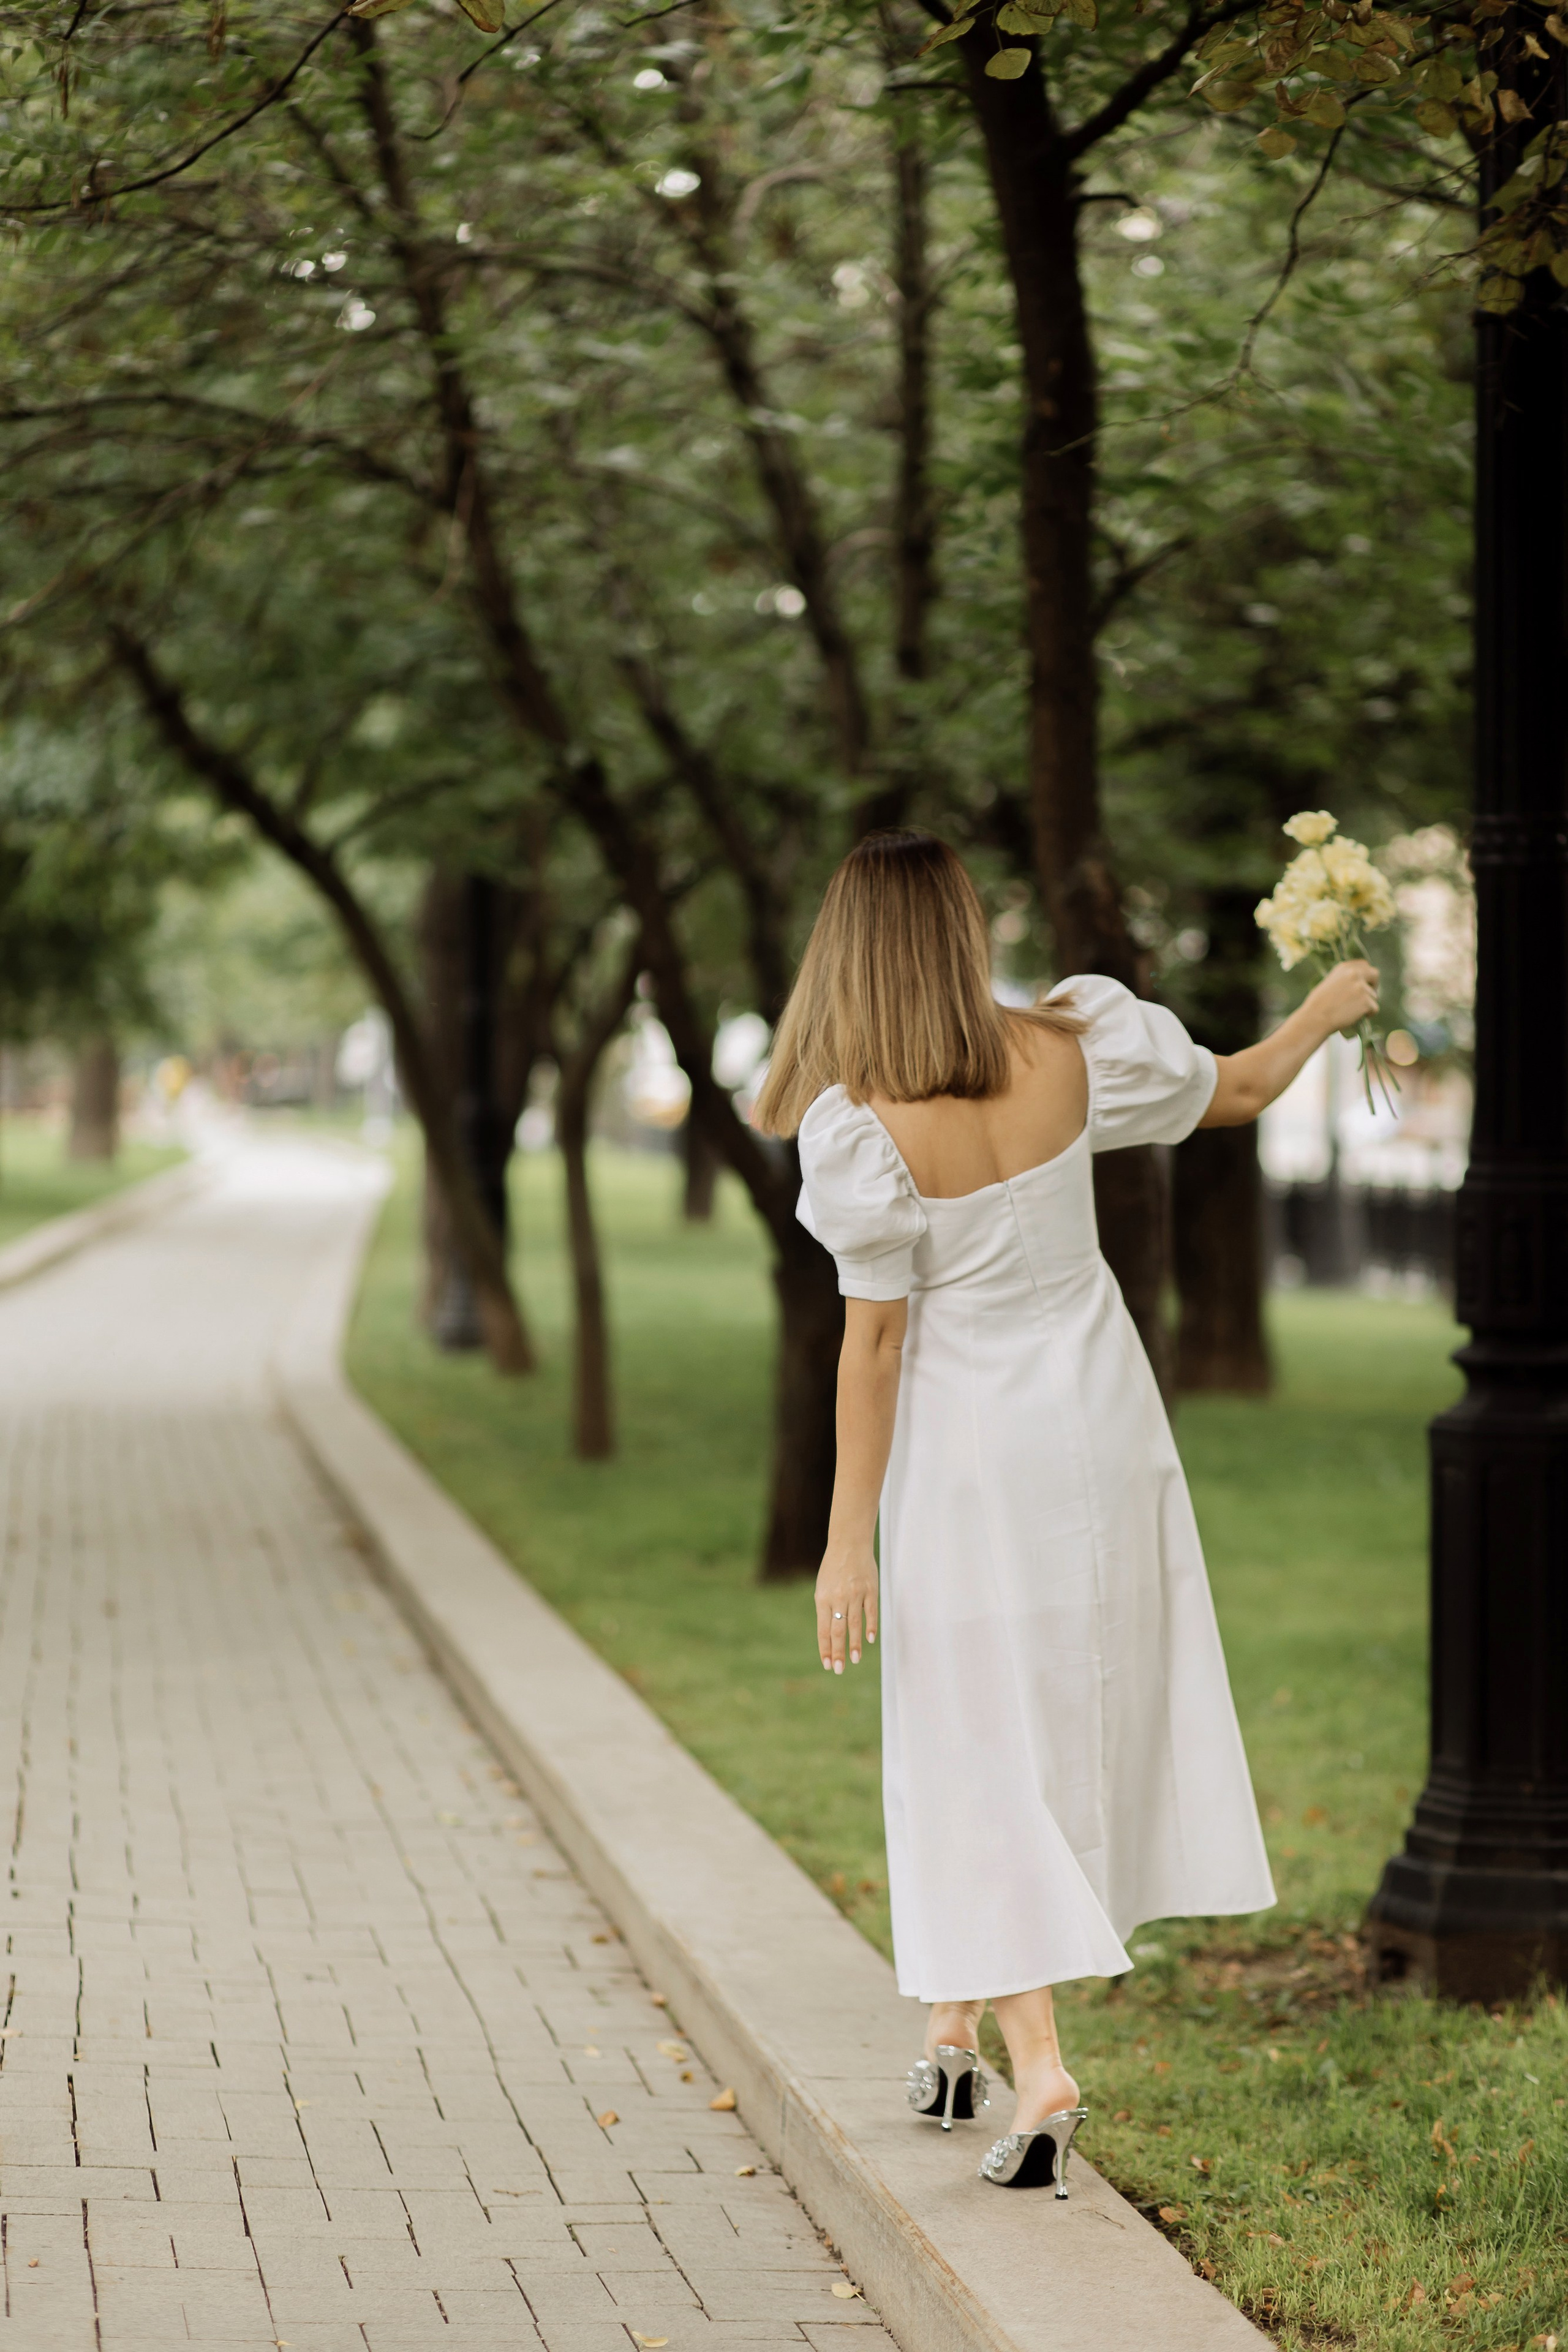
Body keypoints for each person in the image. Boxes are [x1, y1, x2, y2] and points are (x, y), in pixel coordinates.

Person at [752, 831, 1381, 2195]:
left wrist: (842, 1538)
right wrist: (1323, 1014)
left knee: (973, 1733)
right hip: (1097, 1423)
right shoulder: (1076, 1043)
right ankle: (949, 2024)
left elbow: (871, 1349)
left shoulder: (856, 1125)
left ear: (846, 953)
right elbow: (1239, 1089)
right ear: (966, 931)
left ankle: (1036, 2070)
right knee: (1050, 1704)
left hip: (968, 1448)